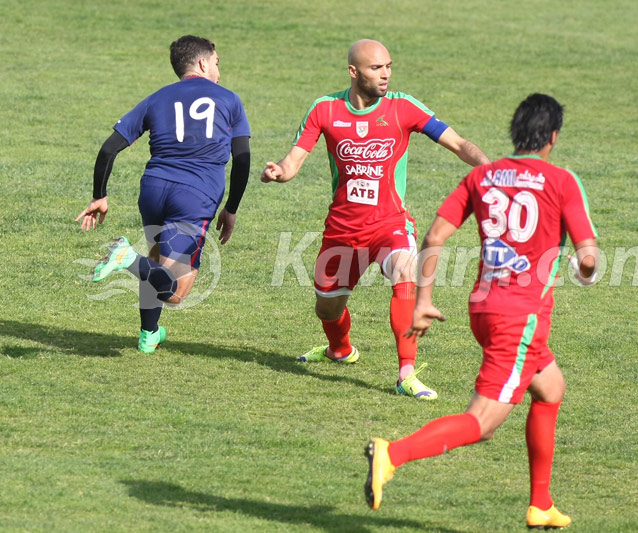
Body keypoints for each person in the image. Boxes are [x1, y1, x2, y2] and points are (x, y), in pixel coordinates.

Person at [364, 93, 599, 529]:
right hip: (520, 318)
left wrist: (425, 301)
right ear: (552, 137)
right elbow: (588, 257)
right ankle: (392, 454)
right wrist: (584, 269)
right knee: (483, 423)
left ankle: (541, 504)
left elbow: (434, 236)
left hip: (483, 309)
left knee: (550, 388)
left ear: (515, 131)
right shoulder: (563, 181)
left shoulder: (484, 177)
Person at [261, 39, 489, 400]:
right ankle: (340, 349)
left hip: (390, 224)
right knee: (327, 307)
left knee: (405, 273)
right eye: (375, 68)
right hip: (341, 229)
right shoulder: (325, 110)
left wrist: (491, 169)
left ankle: (406, 374)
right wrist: (279, 172)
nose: (385, 75)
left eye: (388, 67)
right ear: (354, 72)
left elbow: (460, 144)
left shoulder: (403, 107)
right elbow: (294, 161)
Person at [75, 35, 251, 353]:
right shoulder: (229, 100)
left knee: (155, 262)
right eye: (216, 62)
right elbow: (242, 158)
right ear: (202, 63)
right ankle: (125, 258)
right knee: (175, 290)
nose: (219, 71)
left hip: (154, 190)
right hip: (195, 197)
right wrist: (232, 207)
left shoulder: (157, 98)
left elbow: (109, 148)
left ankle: (149, 334)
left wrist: (99, 195)